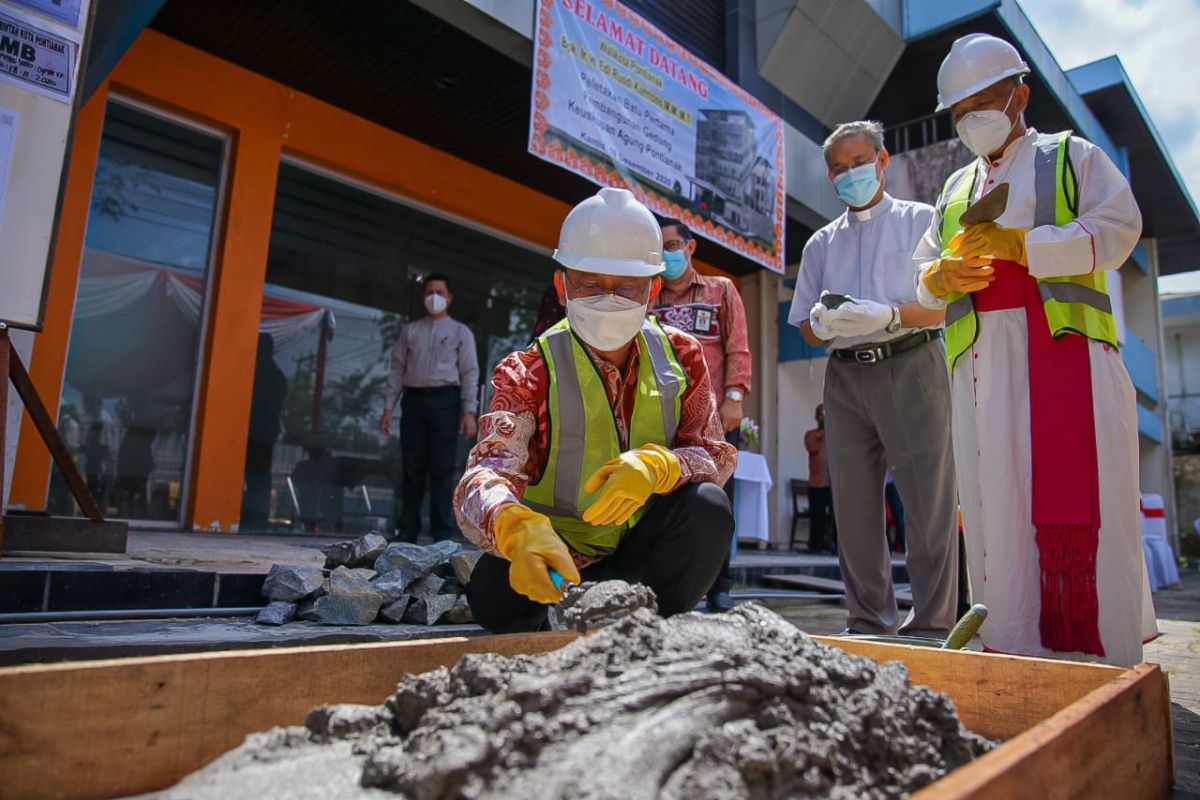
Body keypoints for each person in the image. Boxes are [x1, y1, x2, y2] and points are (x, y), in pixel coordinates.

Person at [914, 33, 1156, 665]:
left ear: (1019, 94)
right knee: (994, 502)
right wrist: (938, 278)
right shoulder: (953, 187)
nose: (971, 119)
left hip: (1062, 352)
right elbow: (922, 269)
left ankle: (1096, 655)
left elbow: (1119, 226)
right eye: (959, 111)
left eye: (983, 102)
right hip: (978, 368)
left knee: (1082, 499)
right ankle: (1010, 642)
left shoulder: (1070, 156)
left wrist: (1026, 247)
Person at [454, 187, 737, 633]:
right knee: (493, 598)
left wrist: (661, 467)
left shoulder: (683, 356)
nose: (607, 298)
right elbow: (483, 476)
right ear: (561, 286)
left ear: (654, 288)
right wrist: (512, 525)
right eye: (589, 283)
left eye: (626, 286)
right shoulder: (527, 371)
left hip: (642, 557)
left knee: (708, 507)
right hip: (555, 558)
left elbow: (717, 456)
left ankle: (648, 629)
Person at [788, 120, 959, 639]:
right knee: (855, 508)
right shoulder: (821, 243)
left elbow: (941, 307)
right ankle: (868, 620)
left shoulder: (922, 222)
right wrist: (820, 324)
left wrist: (886, 315)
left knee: (928, 504)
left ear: (883, 162)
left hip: (912, 365)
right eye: (838, 169)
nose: (849, 175)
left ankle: (932, 624)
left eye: (859, 163)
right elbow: (804, 324)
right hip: (846, 380)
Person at [652, 216, 751, 612]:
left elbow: (738, 347)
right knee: (663, 503)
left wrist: (734, 397)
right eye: (660, 247)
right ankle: (666, 583)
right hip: (662, 419)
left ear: (691, 247)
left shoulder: (721, 290)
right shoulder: (649, 298)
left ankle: (719, 585)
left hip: (713, 420)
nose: (666, 254)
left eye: (672, 245)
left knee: (717, 503)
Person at [380, 273, 480, 542]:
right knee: (412, 468)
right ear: (423, 296)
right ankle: (407, 532)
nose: (434, 296)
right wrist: (389, 407)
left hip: (445, 401)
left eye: (439, 291)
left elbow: (470, 372)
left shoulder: (461, 333)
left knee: (442, 470)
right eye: (429, 292)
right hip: (413, 401)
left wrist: (468, 411)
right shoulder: (409, 331)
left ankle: (442, 536)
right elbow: (396, 370)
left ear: (449, 298)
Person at [242, 333, 288, 530]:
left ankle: (254, 516)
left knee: (256, 476)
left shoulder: (262, 373)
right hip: (264, 432)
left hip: (257, 432)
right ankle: (256, 516)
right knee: (259, 477)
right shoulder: (276, 374)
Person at [803, 404, 835, 553]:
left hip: (833, 483)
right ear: (817, 417)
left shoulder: (836, 434)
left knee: (835, 516)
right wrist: (823, 432)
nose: (824, 418)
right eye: (821, 415)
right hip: (817, 482)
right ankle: (815, 544)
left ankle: (833, 543)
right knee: (817, 515)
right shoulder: (811, 435)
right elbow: (812, 448)